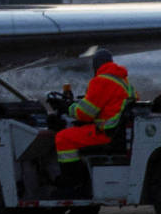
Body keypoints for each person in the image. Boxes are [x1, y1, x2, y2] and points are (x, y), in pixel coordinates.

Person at [53, 48, 131, 196]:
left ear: (96, 66)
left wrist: (67, 107)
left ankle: (72, 184)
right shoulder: (123, 81)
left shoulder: (101, 81)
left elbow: (85, 113)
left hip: (106, 134)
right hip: (117, 133)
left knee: (63, 138)